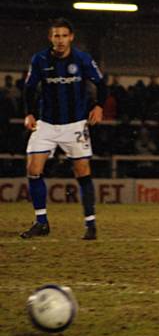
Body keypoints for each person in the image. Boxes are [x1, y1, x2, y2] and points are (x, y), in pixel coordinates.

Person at [20, 18, 107, 240]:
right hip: (46, 123)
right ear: (51, 38)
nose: (60, 40)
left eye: (63, 35)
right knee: (33, 167)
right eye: (56, 36)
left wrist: (99, 106)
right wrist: (29, 113)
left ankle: (90, 224)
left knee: (82, 171)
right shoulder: (40, 59)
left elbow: (101, 84)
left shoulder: (82, 59)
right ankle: (41, 222)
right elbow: (29, 89)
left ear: (71, 37)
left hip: (75, 124)